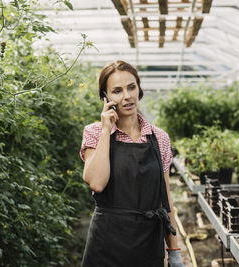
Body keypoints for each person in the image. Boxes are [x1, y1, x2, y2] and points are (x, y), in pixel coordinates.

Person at [79, 60, 184, 267]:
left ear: (139, 89)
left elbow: (165, 199)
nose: (127, 96)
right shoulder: (94, 132)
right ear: (105, 98)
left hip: (148, 243)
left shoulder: (159, 138)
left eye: (131, 87)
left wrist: (174, 252)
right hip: (106, 245)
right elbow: (97, 183)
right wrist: (105, 130)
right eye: (117, 91)